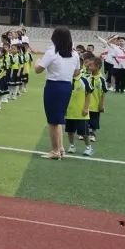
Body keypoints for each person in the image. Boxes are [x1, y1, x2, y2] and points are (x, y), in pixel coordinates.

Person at [35, 27, 80, 159]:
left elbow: (38, 69)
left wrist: (37, 62)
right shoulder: (75, 53)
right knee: (58, 119)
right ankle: (60, 148)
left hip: (54, 86)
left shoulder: (52, 51)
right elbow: (77, 72)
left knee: (53, 121)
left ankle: (55, 151)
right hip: (67, 86)